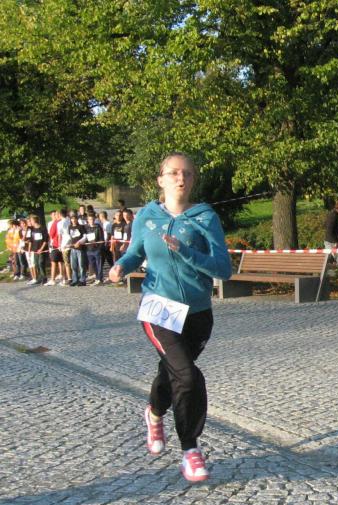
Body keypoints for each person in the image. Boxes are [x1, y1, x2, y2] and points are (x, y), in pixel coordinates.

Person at [109, 153, 232, 483]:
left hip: (197, 312)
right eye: (174, 173)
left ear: (193, 180)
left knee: (173, 370)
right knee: (187, 376)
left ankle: (153, 412)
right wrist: (122, 266)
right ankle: (191, 450)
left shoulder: (205, 217)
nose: (181, 178)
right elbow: (136, 252)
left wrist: (185, 251)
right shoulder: (147, 216)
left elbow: (223, 269)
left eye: (187, 174)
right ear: (160, 180)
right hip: (159, 308)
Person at [26, 214, 49, 285]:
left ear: (34, 220)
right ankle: (40, 277)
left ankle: (44, 278)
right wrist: (29, 250)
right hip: (35, 249)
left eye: (31, 220)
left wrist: (41, 249)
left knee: (40, 263)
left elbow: (45, 240)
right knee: (36, 264)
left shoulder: (42, 229)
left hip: (42, 249)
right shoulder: (32, 229)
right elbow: (31, 240)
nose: (30, 222)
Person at [66, 214, 88, 286]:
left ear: (77, 219)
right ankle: (75, 279)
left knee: (81, 265)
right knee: (73, 265)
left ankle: (82, 280)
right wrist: (67, 244)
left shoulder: (81, 227)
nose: (73, 220)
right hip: (73, 248)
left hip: (80, 248)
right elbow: (69, 237)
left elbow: (85, 237)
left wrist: (79, 242)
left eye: (75, 219)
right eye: (72, 219)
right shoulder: (70, 227)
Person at [324, 200, 338, 266]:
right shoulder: (334, 217)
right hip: (331, 242)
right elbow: (330, 231)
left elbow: (325, 225)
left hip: (329, 241)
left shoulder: (332, 214)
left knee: (331, 260)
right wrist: (335, 243)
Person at [84, 213, 105, 284]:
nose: (91, 221)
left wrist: (99, 247)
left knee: (99, 264)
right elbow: (84, 238)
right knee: (92, 264)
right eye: (90, 219)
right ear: (87, 220)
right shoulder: (86, 228)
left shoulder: (98, 227)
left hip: (97, 249)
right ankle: (97, 276)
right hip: (89, 249)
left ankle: (100, 278)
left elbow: (102, 238)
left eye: (93, 219)